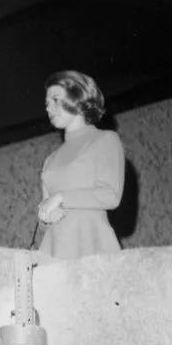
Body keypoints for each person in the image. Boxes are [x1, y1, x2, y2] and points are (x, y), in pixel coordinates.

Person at [37, 70, 124, 259]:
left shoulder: (105, 140)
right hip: (55, 249)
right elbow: (45, 217)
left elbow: (111, 196)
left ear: (77, 97)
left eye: (55, 99)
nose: (48, 108)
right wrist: (46, 216)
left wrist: (61, 197)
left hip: (92, 242)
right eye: (46, 103)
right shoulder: (50, 161)